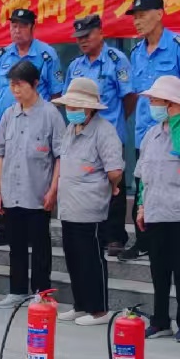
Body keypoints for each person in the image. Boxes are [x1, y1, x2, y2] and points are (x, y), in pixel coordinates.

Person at [121, 0, 180, 259]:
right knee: (143, 183)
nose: (137, 21)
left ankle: (170, 237)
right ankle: (143, 240)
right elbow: (136, 93)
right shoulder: (136, 52)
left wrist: (177, 118)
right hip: (145, 132)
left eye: (142, 15)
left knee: (173, 183)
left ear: (159, 14)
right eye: (134, 17)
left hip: (173, 132)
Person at [135, 75, 180, 342]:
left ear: (172, 103)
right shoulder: (151, 135)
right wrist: (141, 207)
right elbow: (143, 176)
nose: (152, 105)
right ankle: (160, 321)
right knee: (159, 272)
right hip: (157, 212)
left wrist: (177, 119)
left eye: (157, 100)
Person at [0, 8, 63, 247]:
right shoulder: (4, 54)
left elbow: (56, 92)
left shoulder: (47, 54)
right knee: (7, 177)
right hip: (9, 125)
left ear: (32, 28)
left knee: (34, 183)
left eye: (21, 26)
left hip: (38, 129)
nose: (16, 30)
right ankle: (3, 229)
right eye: (13, 26)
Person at [52, 77, 124, 326]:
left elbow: (115, 171)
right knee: (73, 258)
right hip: (69, 206)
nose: (70, 110)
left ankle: (99, 310)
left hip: (90, 207)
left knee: (91, 259)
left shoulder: (104, 131)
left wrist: (110, 187)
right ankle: (80, 304)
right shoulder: (70, 129)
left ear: (90, 108)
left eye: (76, 106)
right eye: (69, 106)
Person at [0, 60, 62, 307]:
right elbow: (0, 154)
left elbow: (60, 156)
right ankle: (17, 290)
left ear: (35, 84)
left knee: (41, 245)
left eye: (20, 84)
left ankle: (42, 291)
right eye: (12, 85)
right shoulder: (9, 114)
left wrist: (53, 189)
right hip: (12, 191)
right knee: (16, 244)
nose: (15, 90)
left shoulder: (51, 114)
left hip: (38, 192)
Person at [63, 14, 132, 257]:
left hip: (108, 132)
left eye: (87, 35)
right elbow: (69, 99)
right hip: (81, 134)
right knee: (86, 183)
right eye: (78, 37)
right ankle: (92, 230)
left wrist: (116, 122)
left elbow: (129, 97)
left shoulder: (116, 60)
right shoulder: (75, 66)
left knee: (114, 183)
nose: (82, 41)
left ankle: (114, 236)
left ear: (101, 33)